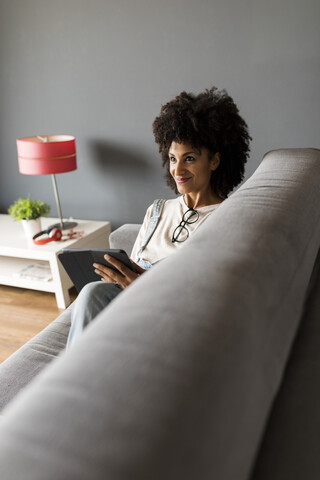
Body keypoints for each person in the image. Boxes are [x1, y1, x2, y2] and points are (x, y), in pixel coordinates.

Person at [67, 86, 251, 347]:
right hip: (126, 297)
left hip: (163, 304)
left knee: (91, 294)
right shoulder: (157, 210)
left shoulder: (225, 218)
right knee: (93, 291)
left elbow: (208, 290)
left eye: (189, 158)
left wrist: (147, 285)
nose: (178, 169)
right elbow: (137, 261)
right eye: (173, 158)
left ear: (214, 161)